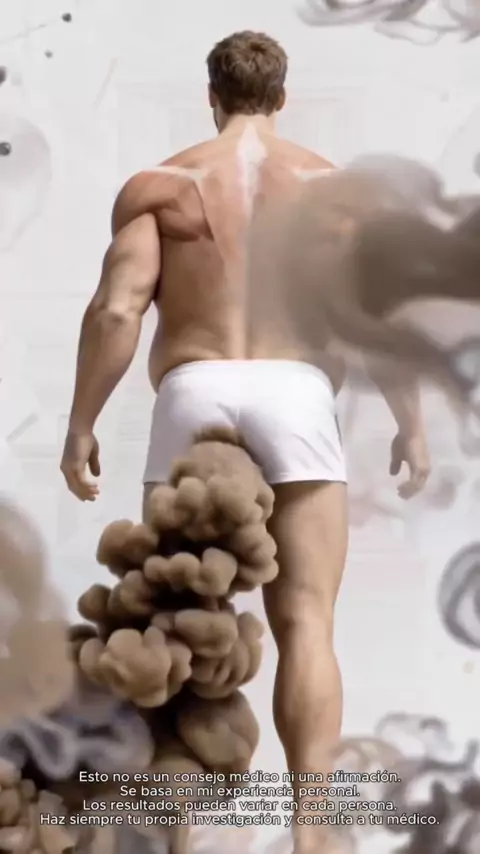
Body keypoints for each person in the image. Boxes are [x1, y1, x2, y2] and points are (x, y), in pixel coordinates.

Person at [60, 30, 430, 852]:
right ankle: (311, 834)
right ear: (282, 97)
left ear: (212, 96)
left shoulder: (161, 186)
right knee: (306, 622)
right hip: (296, 391)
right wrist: (410, 423)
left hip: (193, 391)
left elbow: (118, 310)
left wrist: (81, 423)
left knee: (175, 621)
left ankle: (175, 833)